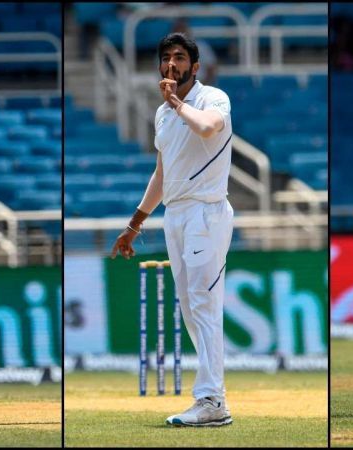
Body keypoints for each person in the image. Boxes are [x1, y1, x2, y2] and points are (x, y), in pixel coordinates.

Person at [110, 32, 234, 427]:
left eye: (179, 58)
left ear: (194, 67)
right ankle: (213, 397)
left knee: (202, 303)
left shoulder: (212, 98)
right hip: (175, 215)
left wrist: (176, 102)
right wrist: (134, 224)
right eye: (165, 58)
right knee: (190, 310)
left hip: (206, 212)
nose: (170, 64)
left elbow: (209, 129)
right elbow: (162, 175)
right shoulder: (163, 114)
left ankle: (212, 399)